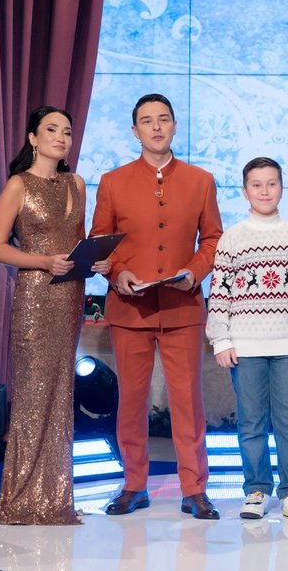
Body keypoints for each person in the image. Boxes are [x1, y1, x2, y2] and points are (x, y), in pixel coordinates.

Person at [90, 93, 223, 520]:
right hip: (131, 309)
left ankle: (194, 489)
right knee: (131, 401)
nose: (156, 127)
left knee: (188, 401)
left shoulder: (201, 180)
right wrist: (117, 273)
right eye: (147, 121)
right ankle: (133, 485)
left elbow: (213, 239)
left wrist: (195, 271)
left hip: (183, 306)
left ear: (175, 126)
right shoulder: (113, 182)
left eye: (163, 119)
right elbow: (100, 243)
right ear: (135, 131)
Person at [0, 106, 111, 525]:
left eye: (67, 132)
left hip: (70, 298)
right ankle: (23, 499)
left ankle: (54, 497)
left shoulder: (77, 183)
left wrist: (97, 262)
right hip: (36, 299)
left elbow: (77, 243)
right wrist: (43, 261)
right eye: (52, 130)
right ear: (33, 138)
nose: (61, 137)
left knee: (60, 396)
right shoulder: (18, 185)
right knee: (33, 396)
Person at [206, 157, 288, 522]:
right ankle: (257, 489)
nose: (264, 191)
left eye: (271, 183)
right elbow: (220, 293)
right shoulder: (232, 238)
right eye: (256, 185)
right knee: (251, 422)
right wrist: (221, 340)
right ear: (245, 192)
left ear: (281, 188)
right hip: (245, 347)